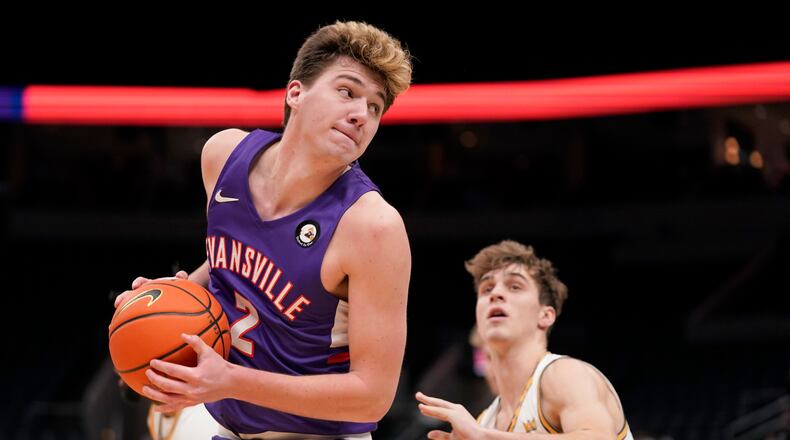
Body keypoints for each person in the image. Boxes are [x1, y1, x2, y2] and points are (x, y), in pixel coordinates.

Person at [114, 20, 412, 439]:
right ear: (296, 93)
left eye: (375, 107)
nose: (361, 114)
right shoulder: (222, 157)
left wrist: (231, 380)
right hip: (231, 428)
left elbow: (373, 395)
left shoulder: (372, 227)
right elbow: (237, 261)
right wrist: (176, 292)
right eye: (347, 91)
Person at [416, 240, 633, 439]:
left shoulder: (565, 374)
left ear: (545, 315)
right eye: (487, 289)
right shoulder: (485, 421)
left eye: (515, 286)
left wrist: (485, 438)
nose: (496, 294)